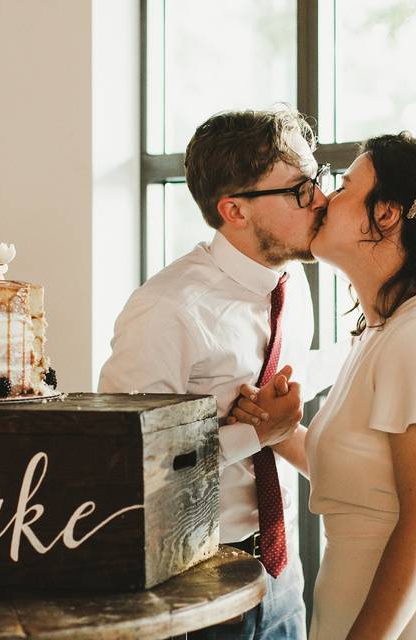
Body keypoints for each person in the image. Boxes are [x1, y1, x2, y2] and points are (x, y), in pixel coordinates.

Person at [232, 133, 416, 639]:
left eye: (345, 186)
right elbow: (368, 484)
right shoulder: (384, 332)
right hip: (360, 603)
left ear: (386, 214)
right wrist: (279, 431)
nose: (324, 199)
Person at [99, 107, 346, 640]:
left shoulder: (289, 286)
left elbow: (289, 377)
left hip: (282, 570)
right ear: (234, 209)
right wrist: (255, 434)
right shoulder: (167, 309)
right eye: (299, 190)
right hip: (194, 586)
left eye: (317, 181)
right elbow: (123, 462)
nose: (321, 201)